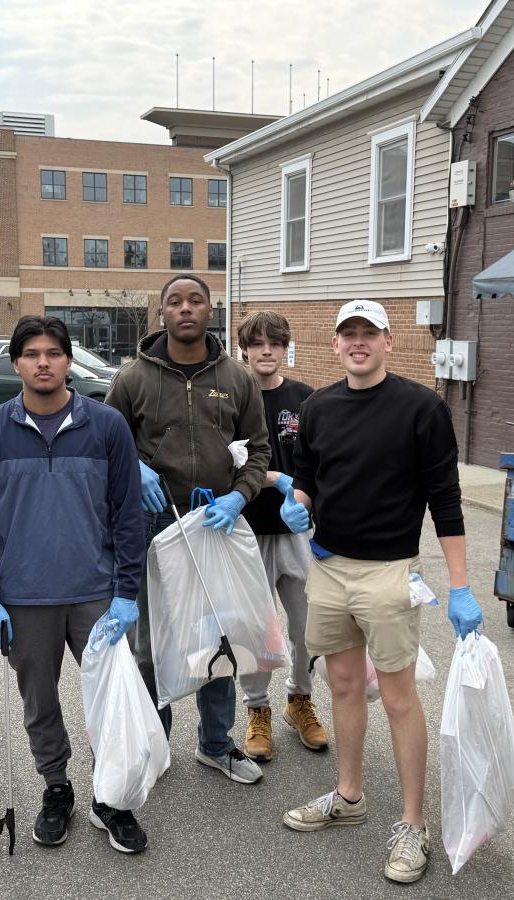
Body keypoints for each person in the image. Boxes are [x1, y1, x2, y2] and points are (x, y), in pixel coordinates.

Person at [279, 299, 483, 885]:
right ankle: (349, 796)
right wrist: (299, 505)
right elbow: (309, 479)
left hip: (389, 572)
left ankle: (412, 824)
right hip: (329, 567)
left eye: (370, 333)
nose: (359, 342)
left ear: (389, 342)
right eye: (349, 334)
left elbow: (445, 499)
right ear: (336, 344)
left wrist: (462, 588)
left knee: (398, 698)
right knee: (341, 685)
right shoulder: (318, 407)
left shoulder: (422, 409)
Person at [0, 315, 148, 854]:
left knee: (108, 701)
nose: (44, 362)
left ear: (69, 360)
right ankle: (57, 788)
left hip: (96, 594)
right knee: (39, 701)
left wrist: (128, 593)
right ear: (15, 362)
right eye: (32, 353)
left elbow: (127, 516)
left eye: (54, 353)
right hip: (23, 599)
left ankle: (111, 798)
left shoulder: (107, 427)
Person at [104, 274, 271, 785]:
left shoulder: (237, 379)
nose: (185, 309)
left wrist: (238, 496)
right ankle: (154, 743)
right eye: (174, 302)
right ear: (161, 314)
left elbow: (259, 451)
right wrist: (134, 466)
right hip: (153, 524)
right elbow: (106, 443)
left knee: (216, 640)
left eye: (195, 300)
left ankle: (216, 745)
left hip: (212, 523)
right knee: (151, 644)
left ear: (210, 310)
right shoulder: (133, 378)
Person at [233, 311, 328, 762]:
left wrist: (305, 495)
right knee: (255, 631)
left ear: (286, 348)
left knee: (305, 626)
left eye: (275, 342)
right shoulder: (232, 396)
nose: (266, 350)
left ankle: (300, 701)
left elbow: (319, 464)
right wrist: (272, 478)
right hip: (245, 531)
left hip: (295, 534)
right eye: (257, 343)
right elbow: (225, 460)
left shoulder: (305, 399)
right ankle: (257, 710)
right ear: (245, 349)